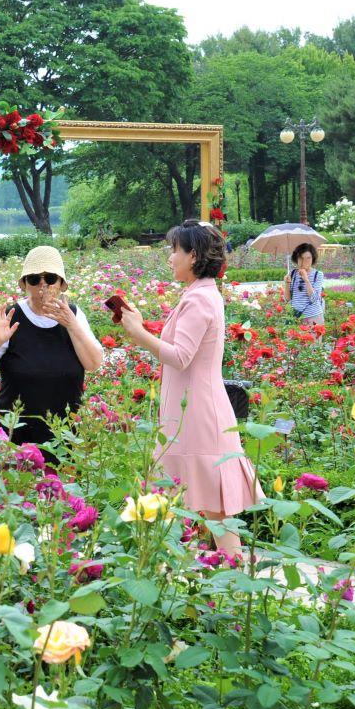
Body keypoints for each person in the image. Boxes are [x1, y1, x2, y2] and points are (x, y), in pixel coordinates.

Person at [119, 221, 261, 557]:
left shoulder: (199, 299)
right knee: (205, 508)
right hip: (196, 412)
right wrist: (143, 325)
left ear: (193, 255)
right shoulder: (201, 293)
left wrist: (139, 334)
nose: (170, 258)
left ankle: (228, 578)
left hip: (197, 416)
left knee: (212, 508)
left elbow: (180, 356)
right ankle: (219, 580)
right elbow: (183, 344)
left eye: (174, 250)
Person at [0, 246, 103, 450]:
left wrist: (72, 326)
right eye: (34, 279)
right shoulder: (11, 316)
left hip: (64, 431)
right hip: (16, 431)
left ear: (61, 284)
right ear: (25, 284)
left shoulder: (74, 315)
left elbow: (94, 363)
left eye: (50, 278)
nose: (43, 285)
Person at [283, 243, 325, 327]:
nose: (305, 261)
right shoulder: (292, 274)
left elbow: (314, 298)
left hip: (313, 317)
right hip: (295, 317)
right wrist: (287, 284)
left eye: (308, 258)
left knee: (313, 340)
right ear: (296, 259)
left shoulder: (318, 274)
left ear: (313, 259)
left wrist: (306, 280)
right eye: (301, 258)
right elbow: (287, 299)